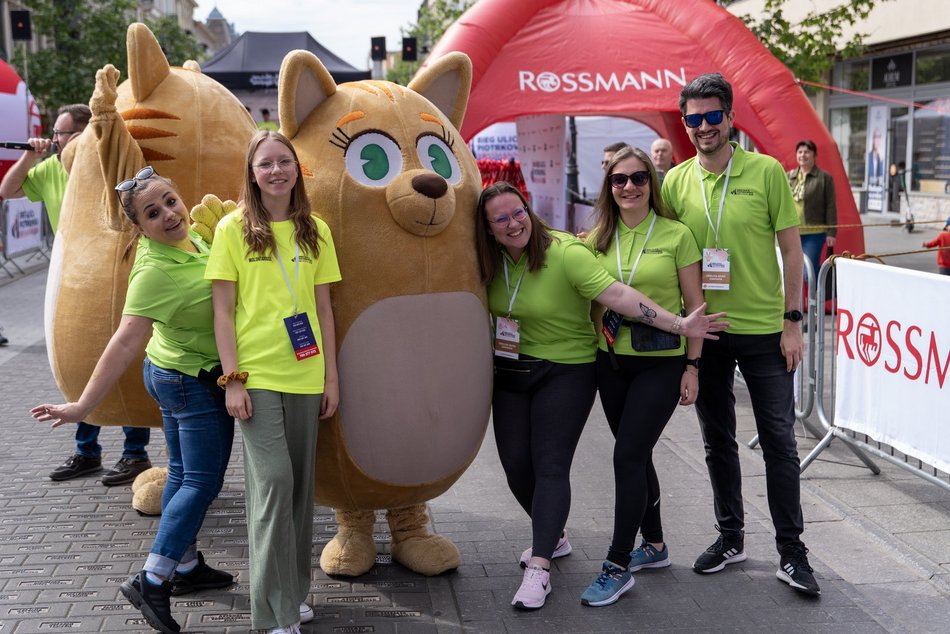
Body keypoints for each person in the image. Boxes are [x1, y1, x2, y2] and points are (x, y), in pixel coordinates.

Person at [475, 180, 726, 611]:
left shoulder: (565, 252)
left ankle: (540, 569)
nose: (513, 223)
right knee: (517, 466)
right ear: (488, 229)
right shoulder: (487, 261)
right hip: (511, 371)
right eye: (500, 218)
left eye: (518, 212)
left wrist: (679, 326)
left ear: (528, 210)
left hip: (567, 369)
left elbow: (618, 295)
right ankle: (553, 535)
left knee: (553, 464)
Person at [31, 167, 235, 634]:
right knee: (202, 483)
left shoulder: (191, 241)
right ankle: (153, 579)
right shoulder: (154, 271)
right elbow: (124, 340)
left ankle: (186, 569)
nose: (168, 214)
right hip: (188, 381)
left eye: (170, 201)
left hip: (174, 371)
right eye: (152, 212)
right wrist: (82, 407)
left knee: (183, 476)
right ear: (138, 227)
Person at [662, 72, 819, 596]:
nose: (703, 127)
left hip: (764, 332)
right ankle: (731, 537)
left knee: (780, 442)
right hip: (706, 332)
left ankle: (792, 553)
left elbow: (794, 251)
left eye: (712, 116)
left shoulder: (768, 170)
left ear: (730, 118)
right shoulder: (675, 181)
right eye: (693, 119)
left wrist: (793, 322)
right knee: (717, 442)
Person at [206, 130, 341, 634]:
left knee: (301, 490)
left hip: (307, 376)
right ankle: (275, 612)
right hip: (255, 376)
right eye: (266, 164)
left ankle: (296, 592)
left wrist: (332, 377)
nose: (276, 171)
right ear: (252, 172)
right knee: (274, 484)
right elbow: (222, 312)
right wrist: (232, 381)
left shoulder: (317, 231)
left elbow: (324, 310)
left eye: (284, 161)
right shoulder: (231, 229)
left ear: (296, 170)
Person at [579, 146, 705, 607]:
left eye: (638, 178)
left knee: (626, 455)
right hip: (609, 360)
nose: (629, 187)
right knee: (637, 453)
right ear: (608, 188)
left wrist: (693, 366)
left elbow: (695, 309)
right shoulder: (594, 238)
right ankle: (653, 545)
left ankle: (616, 564)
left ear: (652, 182)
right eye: (619, 180)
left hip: (662, 361)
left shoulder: (676, 235)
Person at [0, 103, 151, 485]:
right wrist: (30, 156)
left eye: (63, 133)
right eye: (55, 133)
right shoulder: (51, 167)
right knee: (80, 366)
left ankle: (135, 454)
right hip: (72, 279)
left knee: (125, 361)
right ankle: (87, 451)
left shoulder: (107, 168)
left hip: (115, 277)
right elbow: (8, 189)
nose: (56, 140)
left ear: (85, 135)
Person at [788, 139, 837, 278]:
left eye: (807, 152)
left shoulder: (824, 178)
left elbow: (831, 205)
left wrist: (832, 232)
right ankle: (798, 300)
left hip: (815, 233)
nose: (803, 155)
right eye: (800, 152)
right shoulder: (789, 176)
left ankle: (813, 299)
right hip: (792, 232)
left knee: (807, 273)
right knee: (792, 270)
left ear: (814, 156)